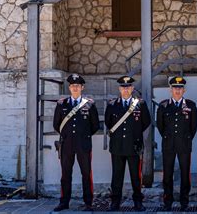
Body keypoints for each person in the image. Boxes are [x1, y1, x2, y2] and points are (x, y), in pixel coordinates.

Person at [52, 74, 100, 212]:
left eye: (77, 86)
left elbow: (95, 125)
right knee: (66, 174)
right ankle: (64, 202)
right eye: (73, 86)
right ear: (69, 87)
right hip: (67, 145)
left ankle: (88, 202)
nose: (75, 88)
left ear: (82, 87)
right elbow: (57, 124)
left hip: (83, 145)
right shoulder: (62, 104)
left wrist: (83, 136)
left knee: (86, 173)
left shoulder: (89, 104)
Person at [105, 76, 151, 212]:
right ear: (119, 89)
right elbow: (108, 122)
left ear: (132, 88)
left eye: (128, 87)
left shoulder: (140, 104)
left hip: (134, 146)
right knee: (116, 177)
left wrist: (134, 134)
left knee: (136, 177)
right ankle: (115, 203)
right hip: (117, 146)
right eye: (123, 87)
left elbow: (146, 122)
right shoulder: (112, 105)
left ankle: (138, 202)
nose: (126, 90)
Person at [156, 76, 197, 211]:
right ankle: (168, 201)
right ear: (170, 90)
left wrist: (185, 138)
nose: (177, 90)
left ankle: (184, 201)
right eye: (175, 88)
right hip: (168, 144)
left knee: (185, 173)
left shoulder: (190, 106)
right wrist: (169, 138)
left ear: (184, 90)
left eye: (180, 88)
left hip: (184, 144)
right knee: (167, 174)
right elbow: (160, 126)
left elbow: (193, 127)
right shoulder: (163, 105)